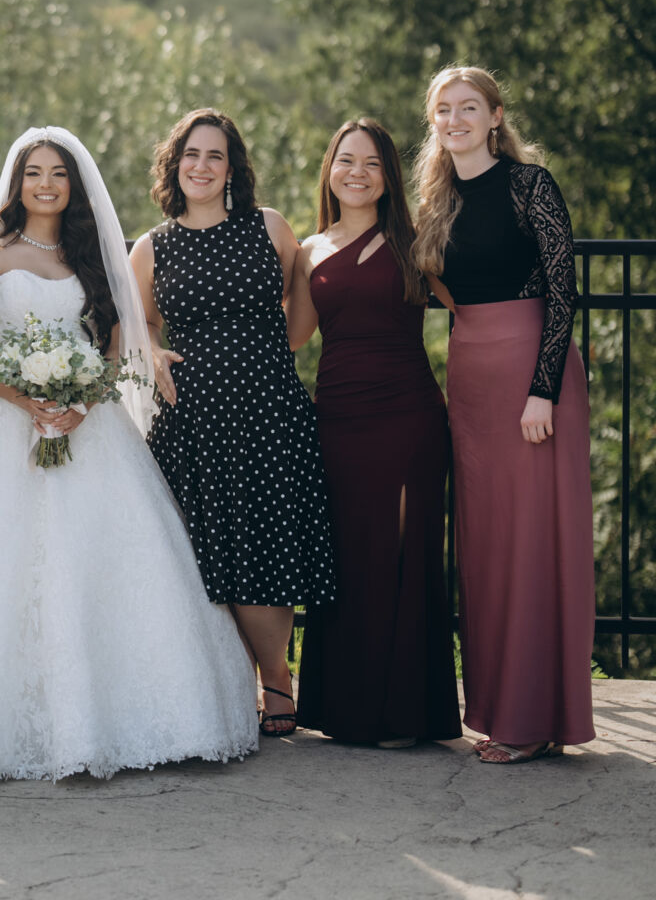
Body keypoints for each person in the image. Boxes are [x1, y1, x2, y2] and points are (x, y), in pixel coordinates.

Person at [0, 128, 259, 783]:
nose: (46, 184)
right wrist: (31, 402)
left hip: (90, 427)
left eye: (58, 174)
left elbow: (114, 345)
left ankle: (129, 719)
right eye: (34, 173)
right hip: (3, 428)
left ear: (74, 185)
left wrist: (80, 402)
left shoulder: (92, 258)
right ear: (17, 185)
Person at [132, 108, 336, 738]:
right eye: (191, 155)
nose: (202, 166)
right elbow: (137, 327)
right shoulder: (152, 247)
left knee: (265, 549)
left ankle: (276, 679)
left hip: (268, 413)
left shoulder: (269, 227)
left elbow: (300, 318)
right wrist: (155, 353)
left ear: (231, 169)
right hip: (193, 423)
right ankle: (229, 682)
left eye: (215, 156)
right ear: (174, 165)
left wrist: (261, 361)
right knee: (209, 555)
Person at [413, 64, 594, 764]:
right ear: (433, 122)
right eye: (443, 109)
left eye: (468, 107)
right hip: (471, 379)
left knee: (532, 541)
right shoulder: (436, 200)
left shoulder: (530, 186)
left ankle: (532, 721)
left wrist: (543, 389)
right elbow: (435, 288)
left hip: (531, 380)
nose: (454, 120)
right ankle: (498, 709)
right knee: (486, 548)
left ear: (494, 117)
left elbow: (563, 291)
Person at [290, 118, 461, 748]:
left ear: (388, 175)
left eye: (370, 163)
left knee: (404, 556)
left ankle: (404, 714)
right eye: (345, 161)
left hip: (409, 417)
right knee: (349, 557)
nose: (356, 173)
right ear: (329, 170)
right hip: (337, 420)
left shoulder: (416, 242)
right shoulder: (309, 250)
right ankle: (347, 711)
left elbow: (470, 306)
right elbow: (292, 337)